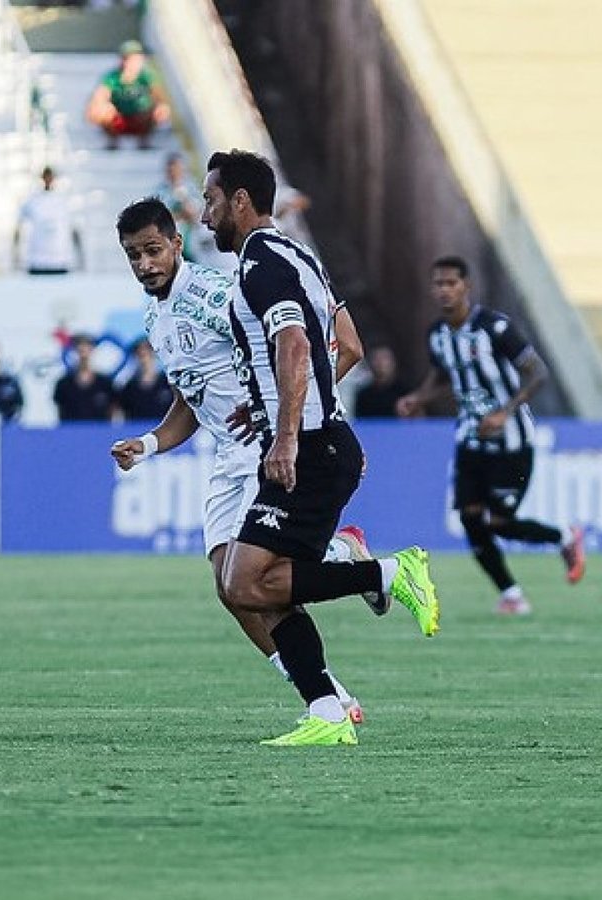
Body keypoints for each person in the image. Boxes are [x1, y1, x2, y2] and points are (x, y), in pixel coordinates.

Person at [197, 149, 439, 747]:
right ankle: (328, 711)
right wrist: (270, 402)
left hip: (306, 450)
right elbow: (347, 345)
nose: (203, 216)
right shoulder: (300, 255)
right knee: (261, 584)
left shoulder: (259, 264)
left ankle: (382, 571)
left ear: (240, 202)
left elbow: (298, 347)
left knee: (242, 583)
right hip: (319, 440)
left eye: (210, 200)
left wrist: (285, 431)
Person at [109, 197, 377, 726]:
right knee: (231, 588)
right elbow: (191, 399)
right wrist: (149, 445)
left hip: (262, 450)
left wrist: (294, 421)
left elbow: (306, 350)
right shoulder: (154, 316)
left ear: (177, 244)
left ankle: (349, 584)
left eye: (153, 250)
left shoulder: (215, 293)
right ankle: (330, 687)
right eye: (133, 255)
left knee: (250, 580)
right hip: (226, 459)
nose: (145, 264)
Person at [396, 256, 585, 615]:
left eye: (451, 283)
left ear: (466, 286)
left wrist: (505, 412)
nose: (444, 290)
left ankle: (563, 537)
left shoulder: (495, 328)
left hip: (512, 442)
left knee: (500, 523)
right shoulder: (437, 335)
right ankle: (511, 594)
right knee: (469, 518)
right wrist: (417, 398)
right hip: (469, 438)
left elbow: (537, 372)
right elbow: (443, 374)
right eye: (438, 284)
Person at [85, 41, 171, 151]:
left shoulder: (146, 77)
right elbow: (99, 96)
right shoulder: (112, 77)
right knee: (99, 110)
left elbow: (160, 97)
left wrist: (161, 106)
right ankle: (113, 141)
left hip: (140, 119)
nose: (131, 62)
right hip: (119, 120)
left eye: (135, 58)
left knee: (160, 110)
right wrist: (100, 107)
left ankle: (144, 141)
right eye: (128, 58)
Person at [15, 167, 83, 275]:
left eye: (50, 177)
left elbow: (74, 229)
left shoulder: (63, 200)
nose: (48, 180)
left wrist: (80, 257)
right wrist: (16, 255)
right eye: (45, 177)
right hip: (36, 261)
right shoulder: (32, 200)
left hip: (60, 260)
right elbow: (19, 227)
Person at [152, 152, 203, 262]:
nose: (174, 173)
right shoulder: (160, 191)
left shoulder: (191, 189)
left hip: (190, 240)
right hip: (168, 238)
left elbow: (196, 214)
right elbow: (159, 217)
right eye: (171, 170)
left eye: (177, 169)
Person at [52, 334, 115, 422]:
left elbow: (112, 411)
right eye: (79, 349)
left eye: (87, 348)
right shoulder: (64, 383)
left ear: (93, 350)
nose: (83, 353)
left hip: (100, 432)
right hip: (71, 432)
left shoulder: (104, 383)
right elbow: (60, 411)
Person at [114, 337, 174, 421]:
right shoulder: (129, 388)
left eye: (148, 352)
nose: (144, 356)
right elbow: (120, 414)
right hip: (137, 431)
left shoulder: (169, 384)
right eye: (140, 354)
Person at [350, 345, 410, 418]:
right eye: (376, 359)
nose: (380, 363)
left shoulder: (406, 393)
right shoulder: (364, 395)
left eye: (385, 358)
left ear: (393, 363)